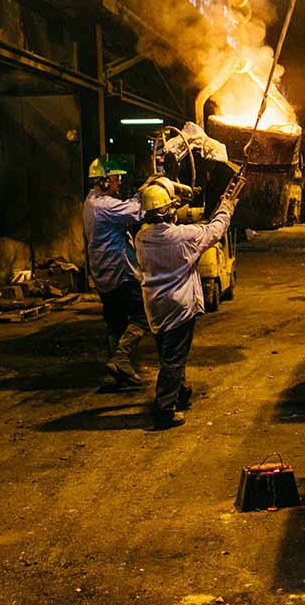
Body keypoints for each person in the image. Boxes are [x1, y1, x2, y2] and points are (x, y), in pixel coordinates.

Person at [135, 181, 238, 429]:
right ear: (167, 211)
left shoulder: (141, 237)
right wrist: (227, 204)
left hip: (155, 306)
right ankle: (165, 409)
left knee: (168, 353)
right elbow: (216, 229)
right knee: (174, 359)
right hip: (179, 307)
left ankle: (180, 394)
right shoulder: (183, 237)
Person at [82, 157, 150, 392]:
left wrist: (139, 191)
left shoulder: (91, 202)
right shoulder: (105, 206)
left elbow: (125, 207)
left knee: (115, 322)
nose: (119, 184)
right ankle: (121, 357)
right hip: (119, 273)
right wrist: (147, 191)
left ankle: (114, 375)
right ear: (103, 181)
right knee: (144, 315)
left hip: (103, 274)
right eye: (115, 179)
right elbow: (137, 211)